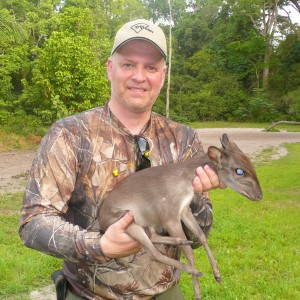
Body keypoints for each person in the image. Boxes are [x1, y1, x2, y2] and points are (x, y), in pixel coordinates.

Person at [19, 19, 220, 300]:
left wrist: (195, 197)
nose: (139, 76)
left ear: (163, 75)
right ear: (110, 68)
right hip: (88, 294)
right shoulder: (69, 134)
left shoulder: (184, 139)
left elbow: (200, 235)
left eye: (150, 67)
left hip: (165, 292)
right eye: (128, 64)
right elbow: (33, 223)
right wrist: (98, 245)